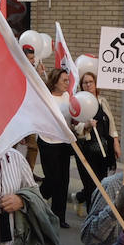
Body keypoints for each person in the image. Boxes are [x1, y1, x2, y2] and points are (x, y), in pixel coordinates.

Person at [73, 71, 119, 216]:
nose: (88, 85)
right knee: (90, 183)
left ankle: (79, 197)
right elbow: (74, 126)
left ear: (95, 84)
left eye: (90, 82)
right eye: (85, 83)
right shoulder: (78, 101)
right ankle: (92, 216)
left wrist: (116, 143)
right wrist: (86, 125)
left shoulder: (102, 101)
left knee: (101, 182)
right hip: (86, 149)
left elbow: (111, 123)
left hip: (103, 148)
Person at [38, 69, 75, 228]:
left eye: (68, 80)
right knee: (52, 179)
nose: (67, 83)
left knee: (63, 180)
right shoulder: (46, 98)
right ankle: (37, 198)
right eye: (64, 80)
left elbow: (72, 117)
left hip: (64, 143)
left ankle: (59, 216)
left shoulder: (67, 97)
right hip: (48, 141)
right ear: (55, 82)